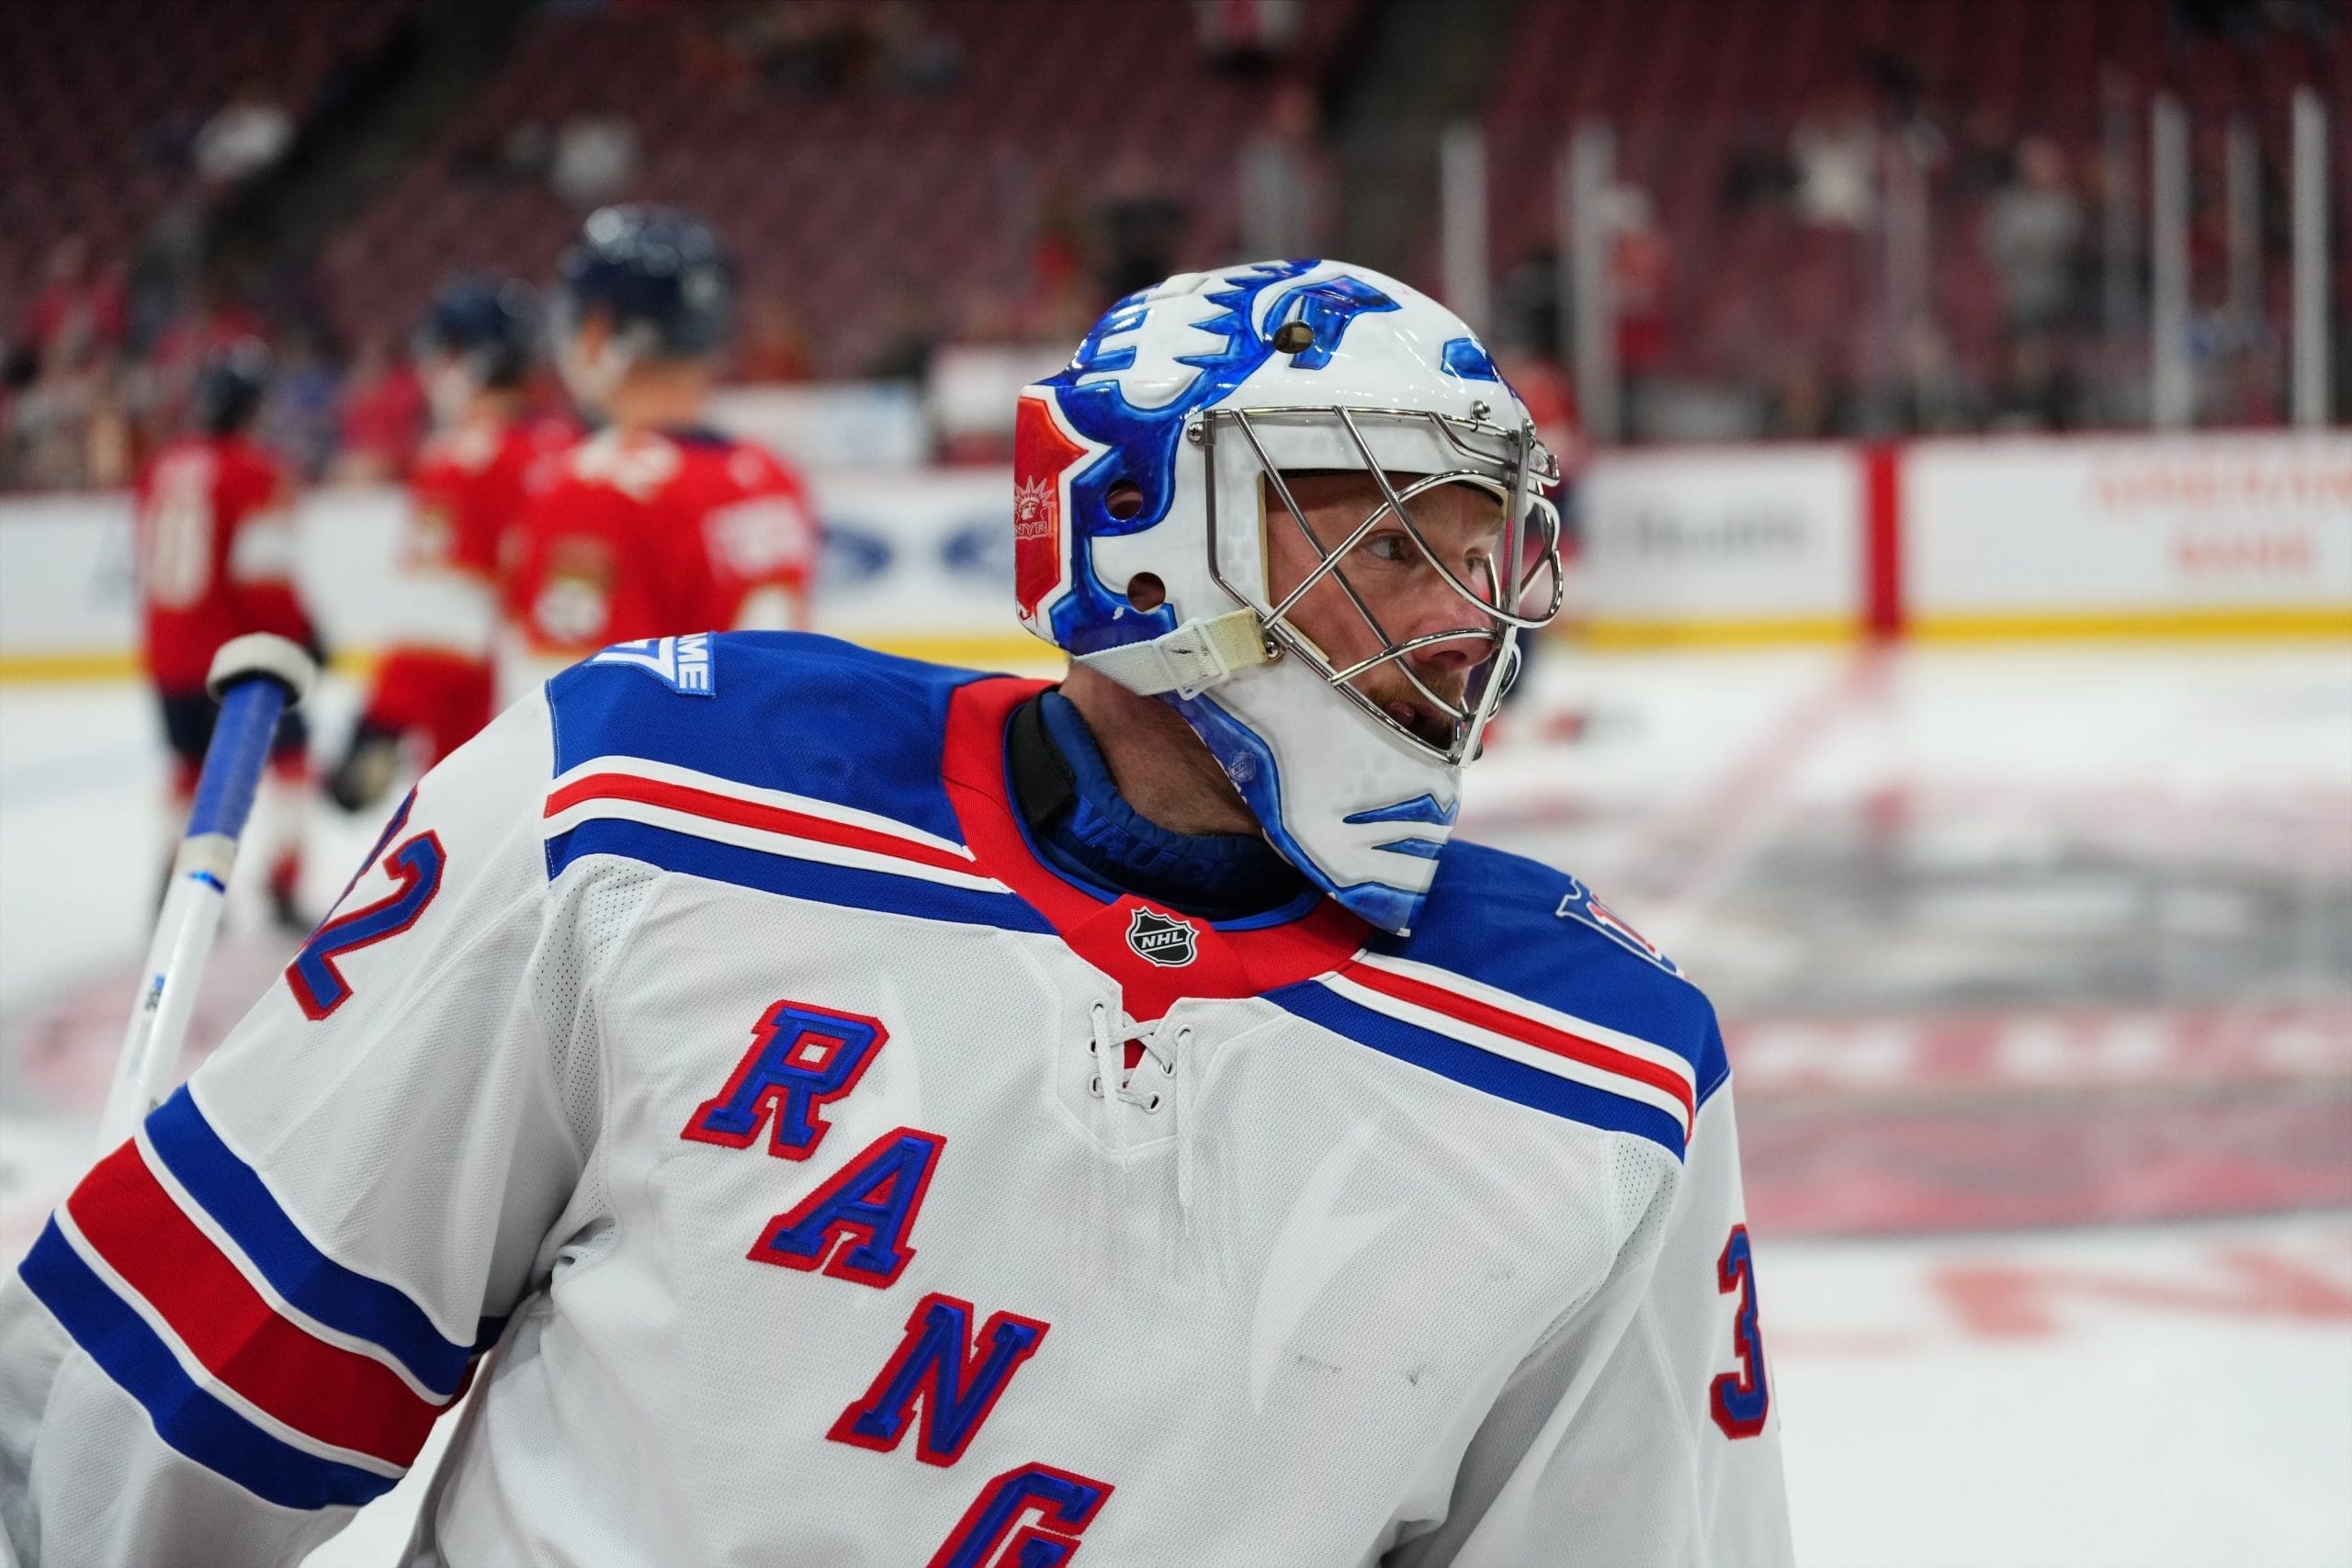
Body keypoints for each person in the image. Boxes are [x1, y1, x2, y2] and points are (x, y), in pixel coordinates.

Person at [1, 261, 1790, 1565]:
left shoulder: (1606, 1070)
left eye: (1474, 553)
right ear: (1142, 537)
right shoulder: (642, 804)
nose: (1460, 622)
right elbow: (163, 1404)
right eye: (1387, 546)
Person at [503, 205, 818, 689]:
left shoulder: (592, 486)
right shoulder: (773, 475)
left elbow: (565, 704)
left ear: (600, 329)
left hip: (650, 763)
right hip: (757, 760)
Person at [328, 275, 571, 813]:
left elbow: (442, 624)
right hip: (584, 734)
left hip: (492, 747)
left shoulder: (462, 461)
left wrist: (381, 724)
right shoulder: (575, 447)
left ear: (474, 361)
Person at [124, 339, 320, 932]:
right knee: (289, 756)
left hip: (167, 649)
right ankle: (282, 882)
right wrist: (303, 633)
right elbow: (264, 578)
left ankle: (173, 878)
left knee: (187, 764)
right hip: (236, 656)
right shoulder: (254, 471)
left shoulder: (160, 467)